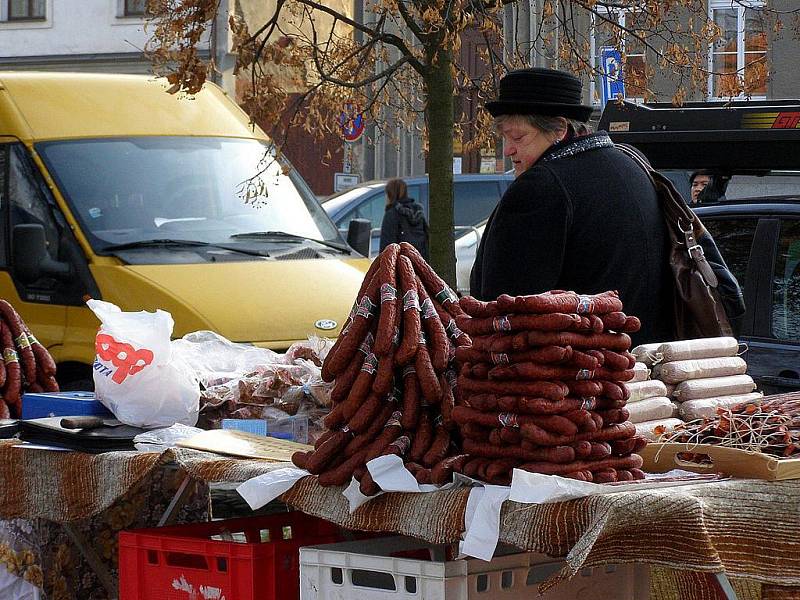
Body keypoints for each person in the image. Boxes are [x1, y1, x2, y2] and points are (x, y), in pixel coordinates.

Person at [470, 67, 674, 345]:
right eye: (505, 137)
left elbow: (505, 307)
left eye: (518, 137)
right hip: (651, 363)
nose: (508, 150)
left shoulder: (540, 187)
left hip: (577, 374)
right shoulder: (631, 164)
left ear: (559, 129)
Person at [379, 177, 429, 260]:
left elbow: (386, 247)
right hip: (420, 262)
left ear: (390, 195)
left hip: (401, 264)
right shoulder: (418, 212)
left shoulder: (392, 214)